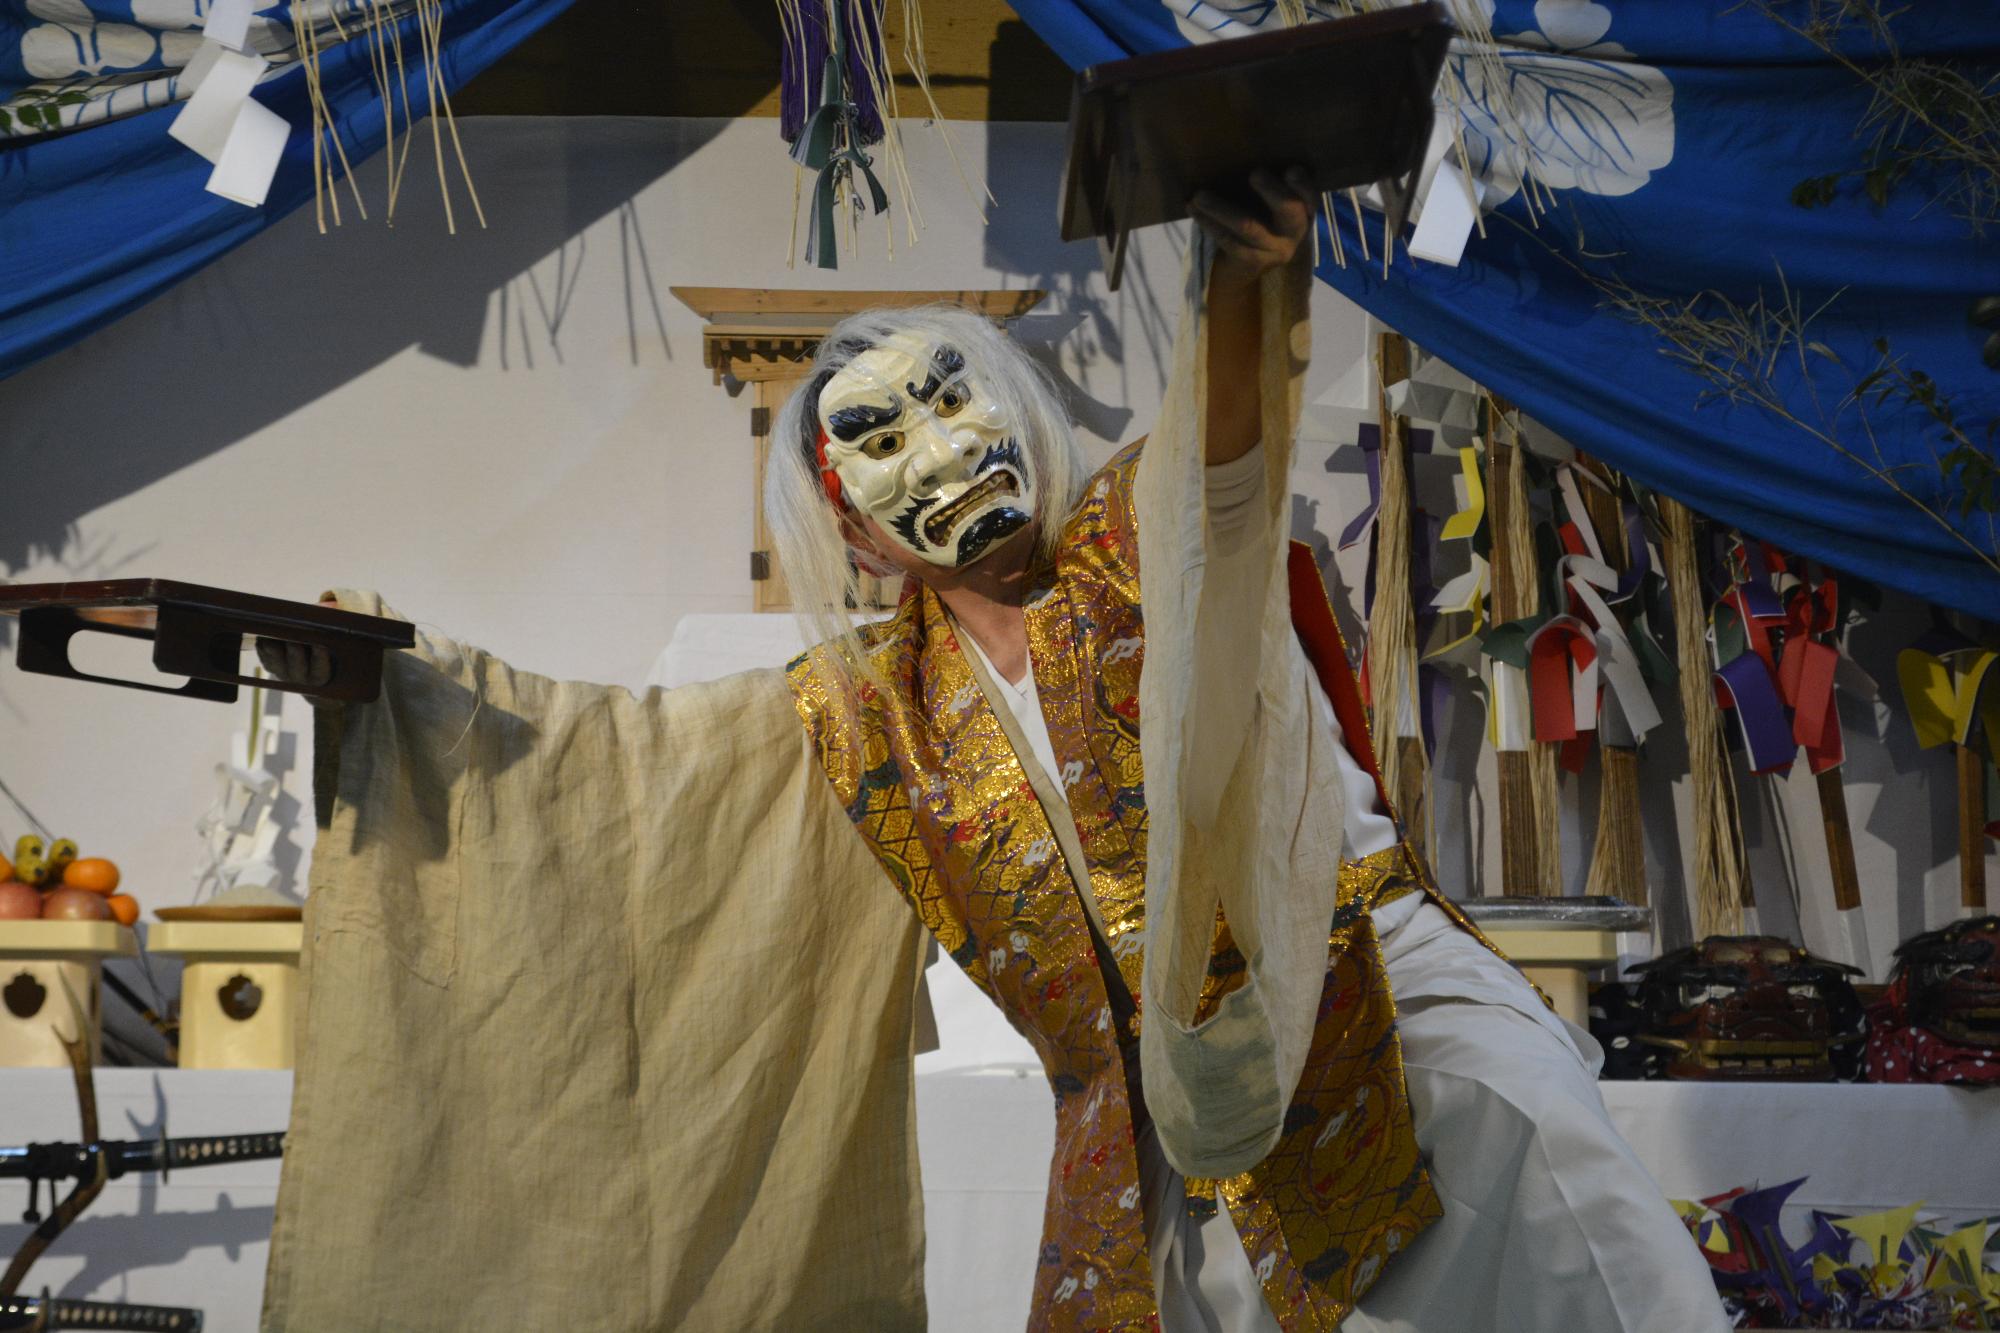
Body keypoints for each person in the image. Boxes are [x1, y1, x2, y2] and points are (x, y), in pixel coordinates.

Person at [260, 171, 1726, 1332]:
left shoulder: (1144, 542)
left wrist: (1246, 274)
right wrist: (399, 679)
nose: (939, 450)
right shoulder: (862, 706)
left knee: (1559, 1200)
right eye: (879, 439)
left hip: (1379, 992)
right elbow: (625, 767)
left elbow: (1222, 447)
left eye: (953, 397)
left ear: (1015, 404)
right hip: (1164, 1103)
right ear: (849, 521)